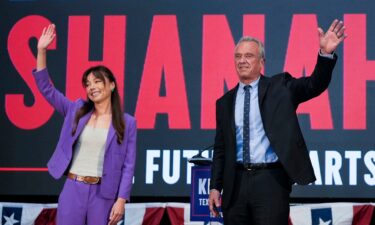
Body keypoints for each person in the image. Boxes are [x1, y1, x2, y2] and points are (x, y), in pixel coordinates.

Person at [208, 19, 347, 225]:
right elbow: (221, 149)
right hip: (234, 184)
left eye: (248, 56)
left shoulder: (280, 87)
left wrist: (325, 55)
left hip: (270, 181)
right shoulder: (224, 102)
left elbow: (313, 85)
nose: (242, 61)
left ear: (261, 62)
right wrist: (215, 186)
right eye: (238, 56)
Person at [33, 24, 137, 225]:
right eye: (88, 84)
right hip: (73, 188)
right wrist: (41, 51)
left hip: (103, 194)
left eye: (97, 81)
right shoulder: (76, 111)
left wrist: (121, 200)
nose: (92, 87)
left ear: (112, 85)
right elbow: (47, 89)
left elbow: (129, 165)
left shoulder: (127, 122)